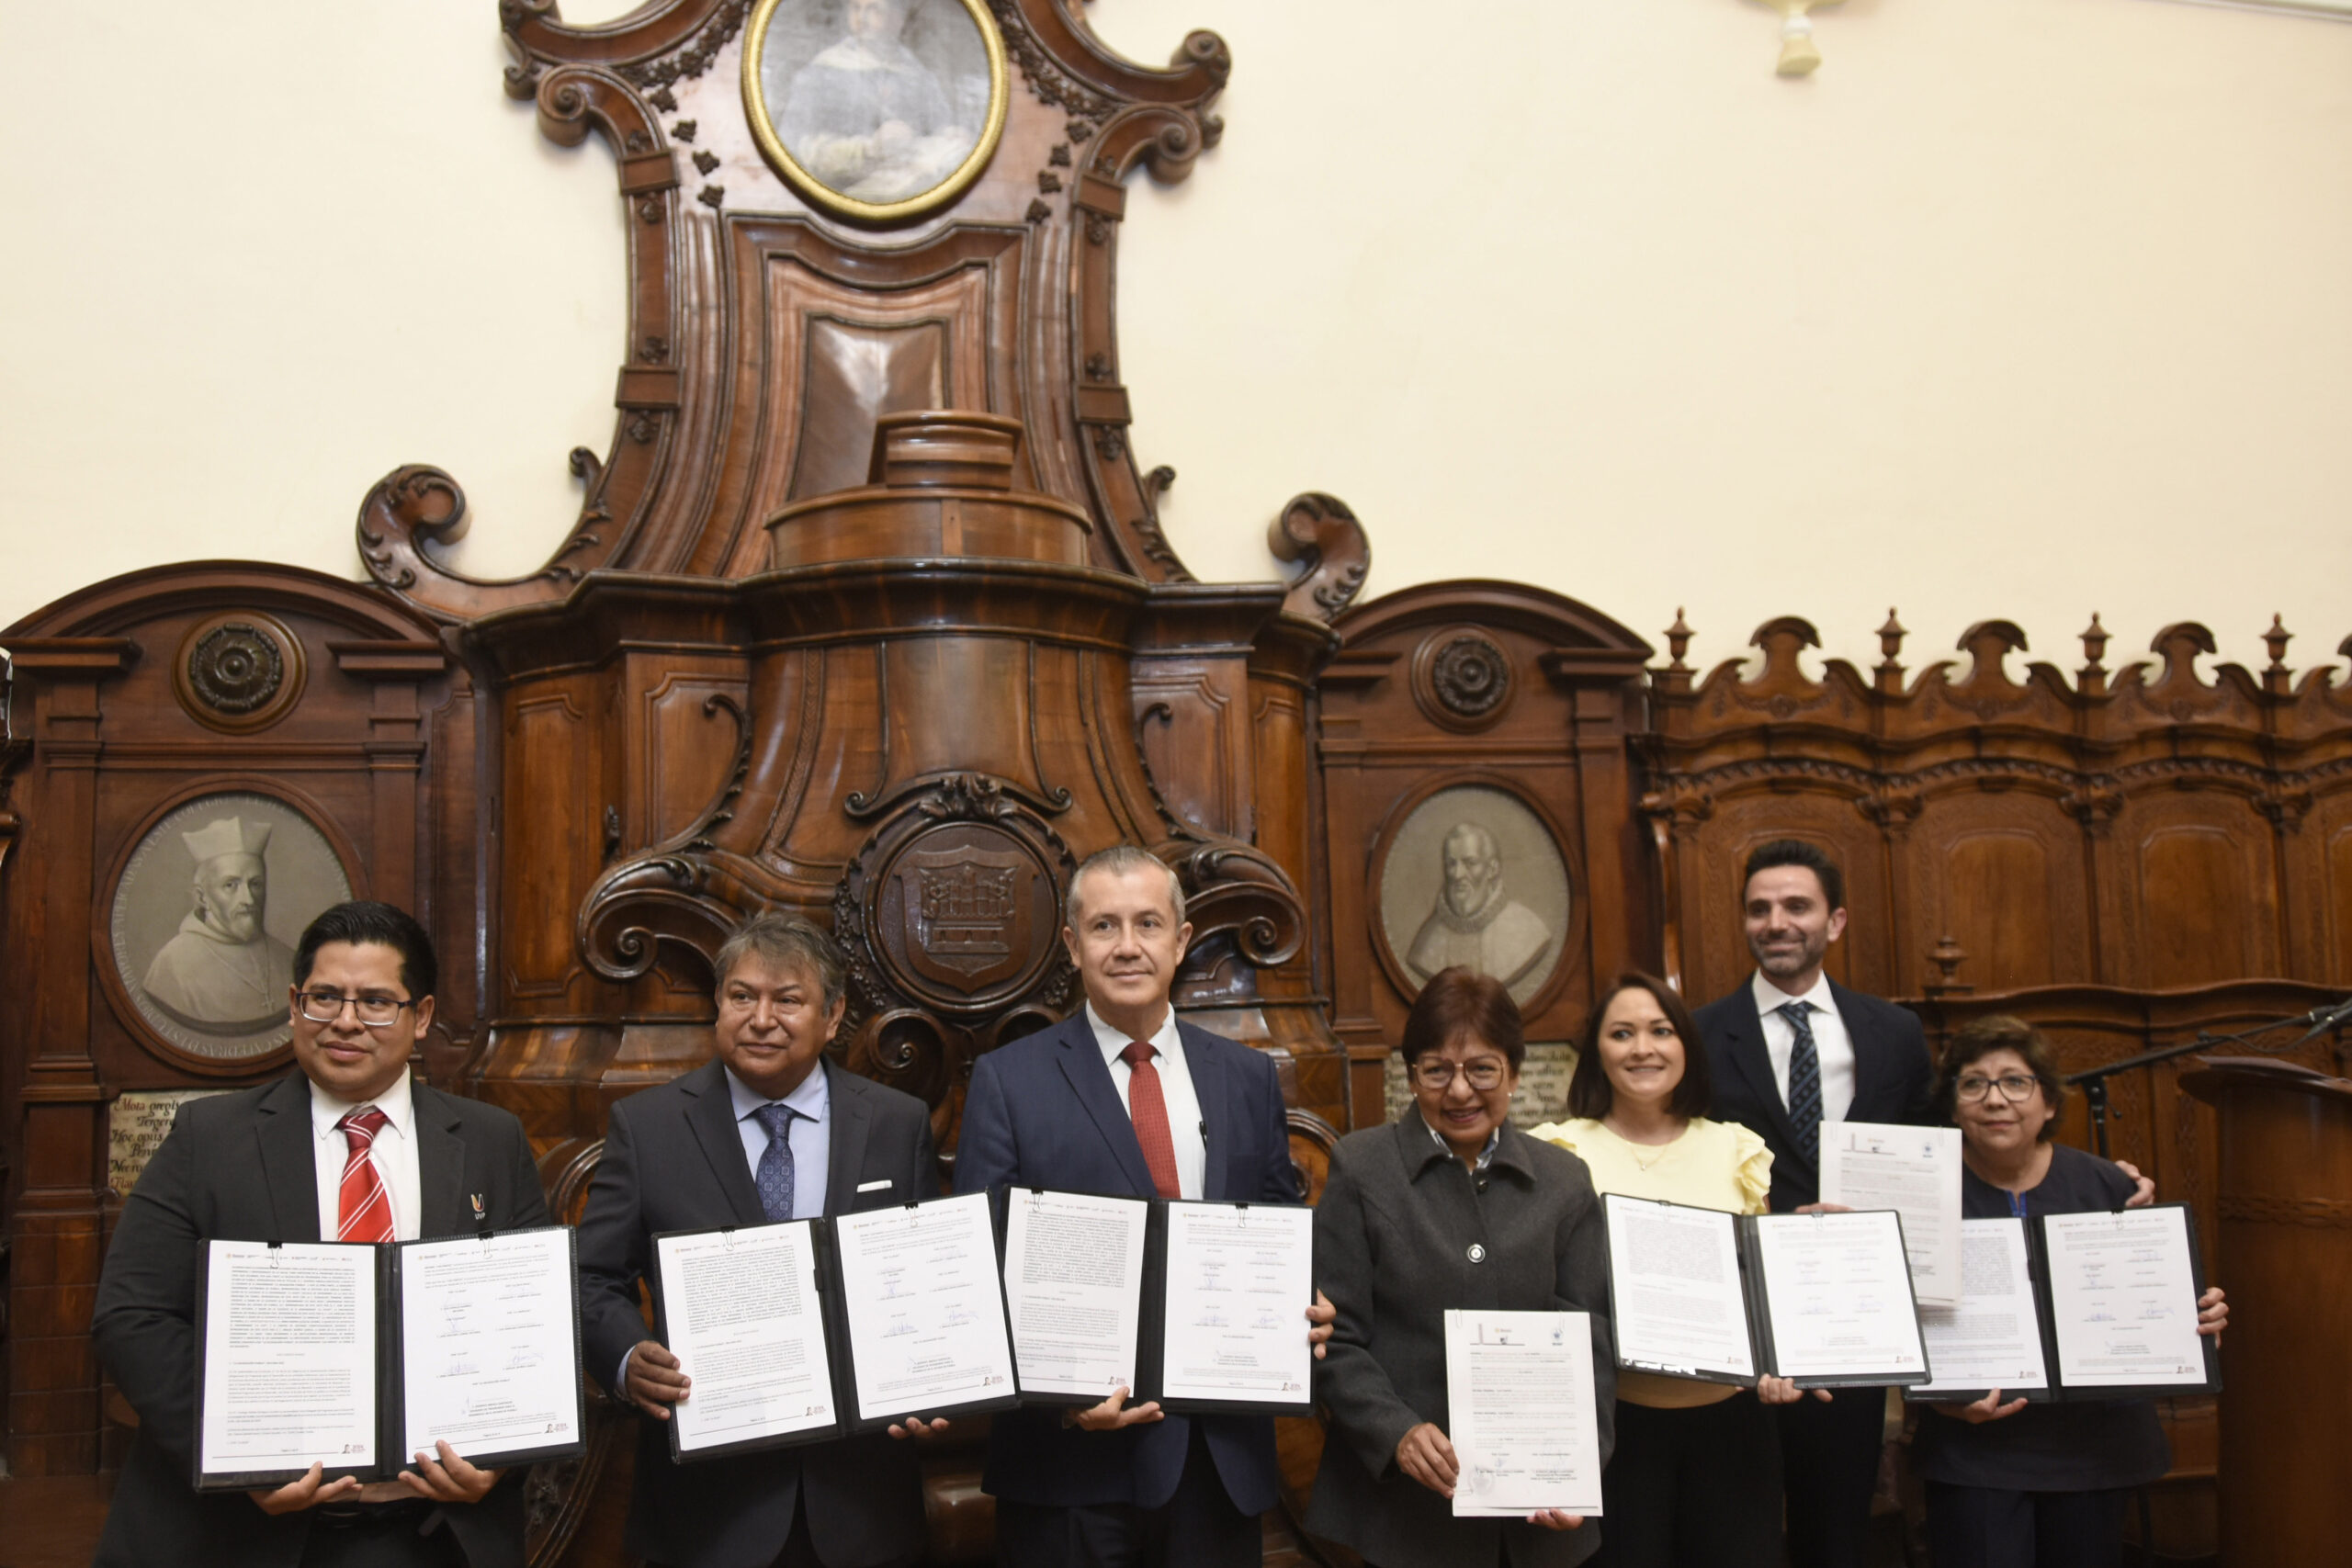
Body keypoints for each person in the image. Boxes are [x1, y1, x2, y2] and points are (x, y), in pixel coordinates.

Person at [93, 900, 545, 1568]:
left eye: (376, 1002)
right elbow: (132, 1316)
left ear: (421, 1016)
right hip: (240, 1532)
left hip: (433, 1531)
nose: (346, 1021)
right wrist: (235, 1457)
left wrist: (502, 1456)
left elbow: (533, 1324)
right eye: (325, 997)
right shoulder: (208, 1139)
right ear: (294, 1005)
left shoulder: (491, 1140)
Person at [954, 844, 1335, 1568]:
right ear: (1074, 945)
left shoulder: (1248, 1077)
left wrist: (1303, 1299)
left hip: (1215, 1462)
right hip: (1068, 1470)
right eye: (1105, 926)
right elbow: (979, 1262)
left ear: (1180, 940)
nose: (1127, 945)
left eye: (1148, 923)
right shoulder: (1009, 1080)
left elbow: (1275, 1226)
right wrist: (1058, 1397)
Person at [575, 912, 940, 1568]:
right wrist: (628, 1357)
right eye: (742, 996)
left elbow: (926, 1278)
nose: (761, 1019)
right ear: (719, 1004)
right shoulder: (649, 1126)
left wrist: (932, 1374)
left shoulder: (897, 1122)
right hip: (707, 1509)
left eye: (788, 1000)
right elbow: (592, 1278)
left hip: (860, 1503)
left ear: (833, 1016)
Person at [1306, 965, 1612, 1568]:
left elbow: (1591, 1341)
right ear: (1411, 1075)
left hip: (1535, 1521)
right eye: (1436, 1070)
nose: (1460, 1091)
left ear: (1514, 1073)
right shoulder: (1362, 1168)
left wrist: (1579, 1473)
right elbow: (1333, 1337)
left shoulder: (1565, 1181)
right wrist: (1395, 1431)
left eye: (1482, 1069)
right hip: (1405, 1518)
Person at [1914, 1015, 2229, 1566]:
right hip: (1974, 1452)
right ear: (1953, 1106)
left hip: (2093, 1451)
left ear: (2050, 1103)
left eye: (2015, 1082)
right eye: (1974, 1084)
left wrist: (2195, 1323)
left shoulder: (2110, 1186)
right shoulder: (1921, 1196)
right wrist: (1940, 1398)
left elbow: (2154, 1301)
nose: (1995, 1099)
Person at [1529, 972, 1800, 1568]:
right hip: (1614, 1426)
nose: (1643, 1048)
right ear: (1597, 1051)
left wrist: (1785, 1361)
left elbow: (1764, 1288)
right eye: (1622, 1033)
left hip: (1731, 1426)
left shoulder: (1736, 1149)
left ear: (1687, 1045)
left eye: (1660, 1030)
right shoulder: (1558, 1150)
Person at [772, 0, 978, 203]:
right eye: (856, 8)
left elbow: (938, 125)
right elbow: (796, 147)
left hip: (908, 182)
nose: (861, 18)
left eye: (874, 9)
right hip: (840, 193)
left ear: (897, 18)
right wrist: (871, 149)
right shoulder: (821, 72)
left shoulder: (917, 74)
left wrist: (949, 133)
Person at [141, 814, 298, 1033]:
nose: (248, 899)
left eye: (255, 884)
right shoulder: (172, 966)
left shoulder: (288, 958)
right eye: (230, 885)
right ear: (202, 897)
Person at [1405, 821, 1554, 990]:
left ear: (1492, 869)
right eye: (1451, 864)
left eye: (1470, 863)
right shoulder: (1426, 941)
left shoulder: (1529, 932)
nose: (1458, 874)